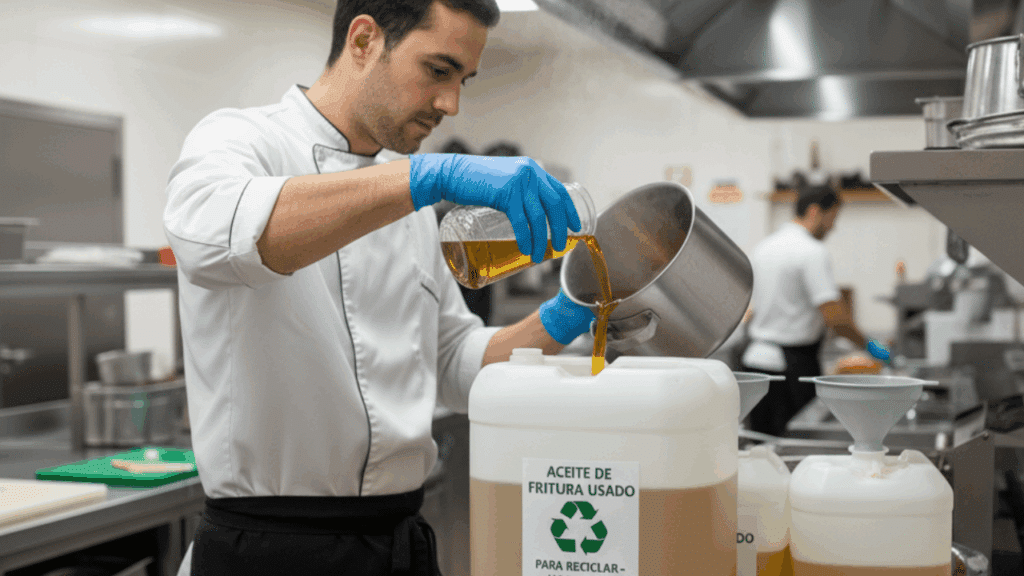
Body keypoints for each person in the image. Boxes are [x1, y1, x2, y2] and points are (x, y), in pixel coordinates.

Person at [163, 1, 596, 574]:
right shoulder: (242, 140)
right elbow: (212, 236)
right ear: (364, 41)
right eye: (438, 71)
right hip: (271, 547)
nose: (451, 104)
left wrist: (570, 311)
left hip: (397, 541)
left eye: (462, 80)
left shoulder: (410, 209)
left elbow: (456, 367)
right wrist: (426, 176)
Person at [740, 185, 889, 438]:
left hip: (754, 361)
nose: (833, 227)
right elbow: (835, 317)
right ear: (814, 212)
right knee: (796, 442)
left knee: (761, 444)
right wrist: (871, 346)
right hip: (792, 366)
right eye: (833, 218)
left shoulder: (763, 248)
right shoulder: (812, 252)